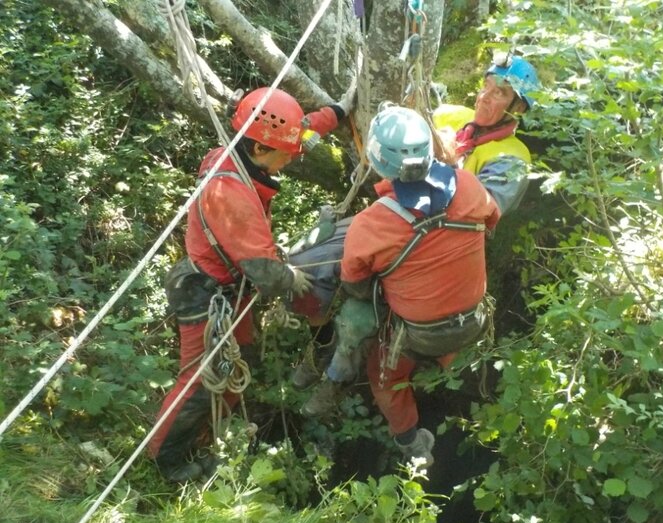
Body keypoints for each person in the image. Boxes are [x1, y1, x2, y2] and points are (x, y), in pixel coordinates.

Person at [149, 86, 352, 483]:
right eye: (285, 156)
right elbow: (266, 273)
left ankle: (207, 433)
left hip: (227, 291)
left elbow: (303, 129)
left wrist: (341, 110)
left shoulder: (247, 149)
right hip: (205, 293)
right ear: (260, 149)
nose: (290, 161)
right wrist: (293, 277)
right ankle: (166, 460)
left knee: (243, 359)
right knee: (200, 382)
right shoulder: (232, 195)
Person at [302, 105, 500, 467]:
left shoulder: (372, 224)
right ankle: (443, 372)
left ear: (378, 161)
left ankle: (412, 445)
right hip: (472, 321)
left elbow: (356, 284)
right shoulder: (471, 187)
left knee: (383, 371)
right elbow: (490, 222)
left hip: (417, 335)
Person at [433, 52, 539, 216]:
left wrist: (447, 159)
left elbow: (478, 212)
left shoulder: (513, 160)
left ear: (519, 108)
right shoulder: (455, 115)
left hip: (450, 234)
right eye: (486, 85)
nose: (484, 97)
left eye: (498, 93)